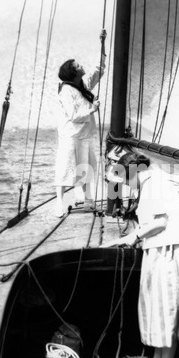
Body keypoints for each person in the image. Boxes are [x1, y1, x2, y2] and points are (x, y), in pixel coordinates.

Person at [102, 151, 179, 358]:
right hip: (161, 250)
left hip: (170, 252)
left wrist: (132, 237)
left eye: (125, 179)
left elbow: (160, 221)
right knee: (161, 313)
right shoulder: (152, 181)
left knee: (168, 312)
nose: (125, 184)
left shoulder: (155, 183)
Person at [54, 29, 107, 217]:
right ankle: (59, 204)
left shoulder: (82, 85)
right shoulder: (66, 91)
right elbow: (74, 115)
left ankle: (88, 201)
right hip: (71, 136)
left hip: (84, 135)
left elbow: (99, 70)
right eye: (78, 65)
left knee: (86, 169)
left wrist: (102, 44)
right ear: (73, 72)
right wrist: (93, 108)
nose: (81, 66)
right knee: (65, 171)